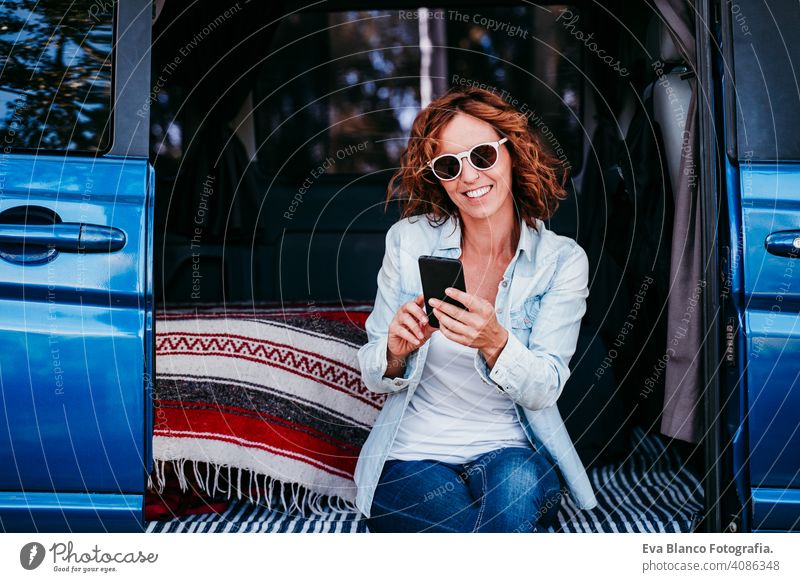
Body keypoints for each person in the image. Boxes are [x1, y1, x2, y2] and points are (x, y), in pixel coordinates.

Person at [354, 86, 598, 533]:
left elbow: (545, 387)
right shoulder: (408, 241)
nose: (468, 177)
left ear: (513, 153)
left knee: (516, 489)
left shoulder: (562, 261)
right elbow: (371, 372)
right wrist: (392, 351)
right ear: (438, 180)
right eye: (449, 165)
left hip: (511, 450)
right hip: (413, 453)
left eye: (482, 156)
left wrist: (496, 342)